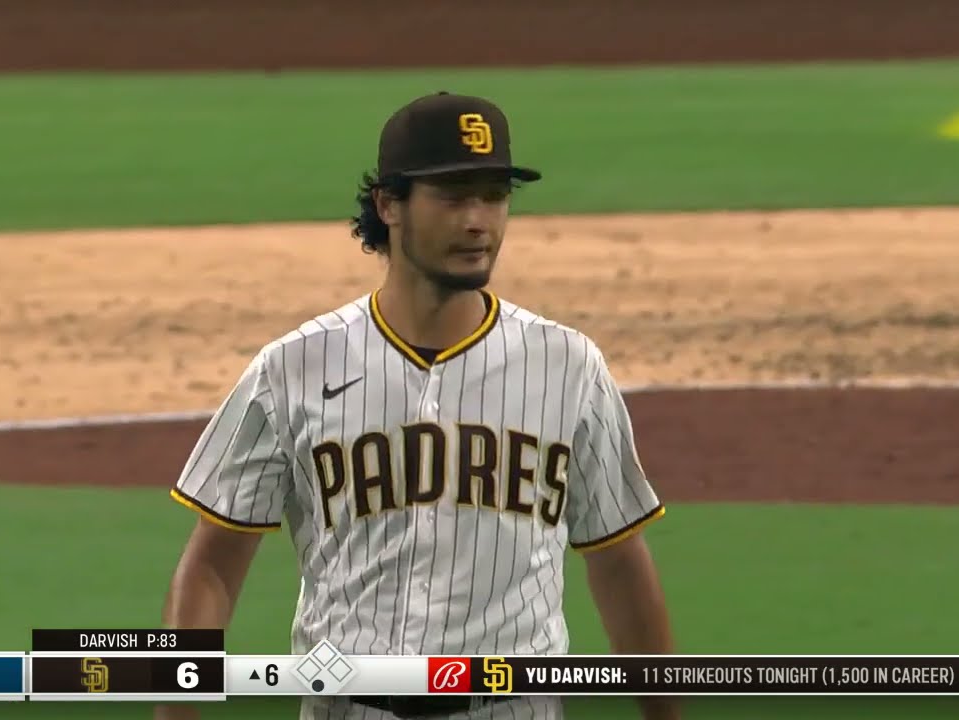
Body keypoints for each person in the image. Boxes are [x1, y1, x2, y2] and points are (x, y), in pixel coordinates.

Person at [156, 91, 678, 720]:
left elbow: (618, 560)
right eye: (453, 197)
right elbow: (214, 563)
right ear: (389, 205)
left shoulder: (569, 365)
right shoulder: (291, 367)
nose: (479, 221)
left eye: (494, 196)